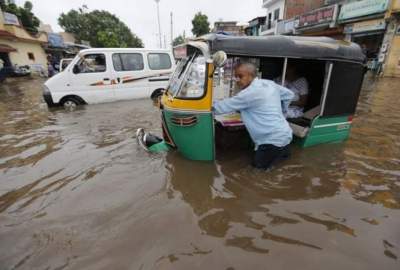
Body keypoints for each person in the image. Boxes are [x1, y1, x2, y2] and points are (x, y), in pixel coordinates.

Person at [213, 62, 294, 170]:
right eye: (236, 76)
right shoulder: (269, 83)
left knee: (256, 174)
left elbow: (220, 108)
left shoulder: (248, 94)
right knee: (278, 168)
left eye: (240, 76)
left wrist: (204, 107)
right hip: (285, 135)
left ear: (251, 75)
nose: (237, 80)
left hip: (271, 141)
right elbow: (289, 95)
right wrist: (282, 112)